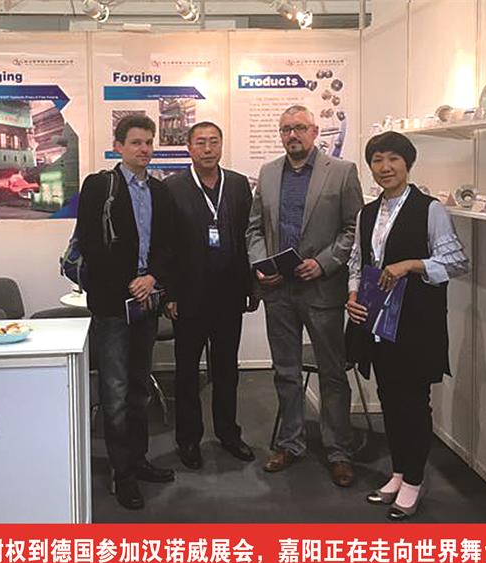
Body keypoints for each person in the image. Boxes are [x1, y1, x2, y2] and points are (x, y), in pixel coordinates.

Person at [345, 131, 469, 520]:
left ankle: (414, 479)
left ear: (408, 163)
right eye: (377, 160)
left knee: (414, 402)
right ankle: (398, 472)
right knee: (389, 398)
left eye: (393, 159)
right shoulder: (367, 213)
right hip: (379, 321)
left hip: (417, 322)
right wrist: (352, 295)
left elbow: (457, 262)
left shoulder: (430, 209)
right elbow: (357, 261)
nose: (385, 167)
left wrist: (412, 264)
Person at [246, 104, 363, 486]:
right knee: (285, 372)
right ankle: (290, 443)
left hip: (321, 289)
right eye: (286, 129)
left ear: (314, 131)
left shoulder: (341, 171)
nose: (292, 135)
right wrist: (261, 263)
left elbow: (353, 228)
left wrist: (324, 263)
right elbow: (254, 229)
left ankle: (338, 451)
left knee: (332, 374)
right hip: (278, 291)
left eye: (299, 128)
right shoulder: (268, 173)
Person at [77, 114, 174, 510]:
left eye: (149, 142)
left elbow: (169, 244)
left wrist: (152, 278)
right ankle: (123, 473)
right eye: (136, 142)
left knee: (139, 390)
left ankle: (139, 459)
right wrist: (128, 284)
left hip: (146, 304)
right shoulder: (100, 186)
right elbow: (92, 245)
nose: (144, 149)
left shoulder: (160, 191)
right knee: (115, 393)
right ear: (118, 146)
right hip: (112, 306)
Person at [164, 121, 257, 470]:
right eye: (200, 142)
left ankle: (228, 433)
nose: (207, 149)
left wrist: (251, 286)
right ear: (189, 148)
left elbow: (249, 237)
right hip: (188, 296)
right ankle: (188, 439)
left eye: (214, 142)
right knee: (188, 372)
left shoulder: (237, 184)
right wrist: (169, 294)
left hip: (229, 294)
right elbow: (166, 244)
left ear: (221, 145)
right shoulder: (172, 187)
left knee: (226, 369)